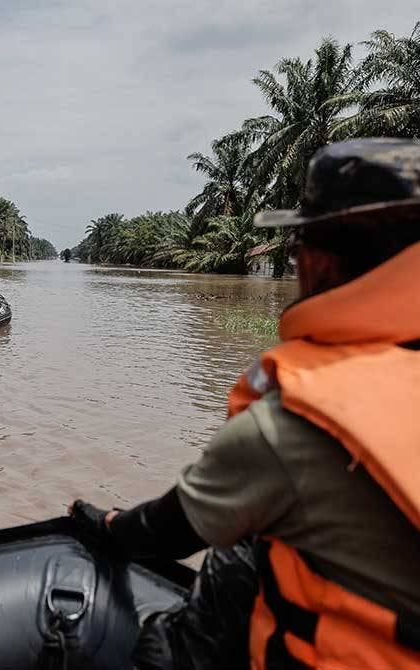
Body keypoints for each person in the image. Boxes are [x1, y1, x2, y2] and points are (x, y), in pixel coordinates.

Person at [72, 138, 420, 670]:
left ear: (323, 258)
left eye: (297, 242)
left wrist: (106, 523)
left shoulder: (292, 426)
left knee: (168, 641)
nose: (293, 257)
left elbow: (167, 532)